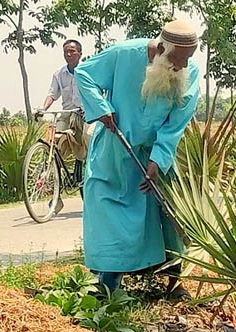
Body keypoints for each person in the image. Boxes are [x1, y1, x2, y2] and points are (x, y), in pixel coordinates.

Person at [75, 20, 200, 298]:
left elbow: (177, 122)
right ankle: (108, 286)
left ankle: (174, 282)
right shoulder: (123, 54)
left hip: (157, 152)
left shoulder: (190, 71)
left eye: (187, 59)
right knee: (111, 214)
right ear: (160, 49)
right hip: (114, 150)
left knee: (167, 213)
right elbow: (84, 73)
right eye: (177, 59)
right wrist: (102, 108)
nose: (182, 66)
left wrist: (158, 160)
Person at [41, 39, 89, 162]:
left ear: (80, 53)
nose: (68, 54)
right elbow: (52, 95)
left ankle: (91, 170)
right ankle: (51, 172)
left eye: (72, 51)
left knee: (90, 137)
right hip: (67, 114)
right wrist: (43, 109)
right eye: (66, 52)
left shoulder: (87, 71)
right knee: (54, 141)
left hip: (84, 114)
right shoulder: (59, 74)